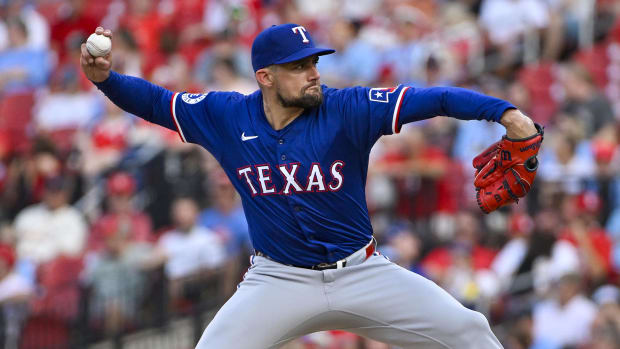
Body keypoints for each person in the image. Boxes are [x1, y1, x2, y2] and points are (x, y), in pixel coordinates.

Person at [81, 24, 541, 348]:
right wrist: (106, 80)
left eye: (314, 62)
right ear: (265, 77)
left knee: (468, 330)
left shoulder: (348, 107)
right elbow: (157, 102)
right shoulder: (226, 116)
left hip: (363, 273)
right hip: (279, 279)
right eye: (299, 66)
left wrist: (506, 113)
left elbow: (435, 98)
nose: (314, 72)